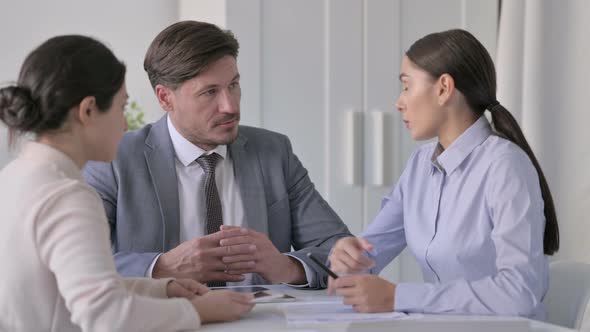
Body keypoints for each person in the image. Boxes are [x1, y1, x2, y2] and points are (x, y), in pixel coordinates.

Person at [0, 35, 254, 332]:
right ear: (88, 111)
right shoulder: (68, 197)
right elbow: (106, 316)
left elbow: (73, 285)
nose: (125, 124)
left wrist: (163, 289)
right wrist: (196, 310)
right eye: (122, 107)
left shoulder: (14, 177)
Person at [83, 20, 351, 288]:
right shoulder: (115, 159)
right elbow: (79, 263)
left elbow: (341, 253)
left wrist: (286, 267)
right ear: (165, 98)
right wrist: (162, 268)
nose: (230, 106)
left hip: (259, 322)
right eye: (209, 92)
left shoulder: (273, 152)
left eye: (233, 85)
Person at [328, 29, 559, 320]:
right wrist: (347, 259)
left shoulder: (505, 166)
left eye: (406, 86)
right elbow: (369, 254)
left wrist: (397, 296)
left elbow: (519, 294)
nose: (399, 102)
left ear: (443, 88)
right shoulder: (419, 165)